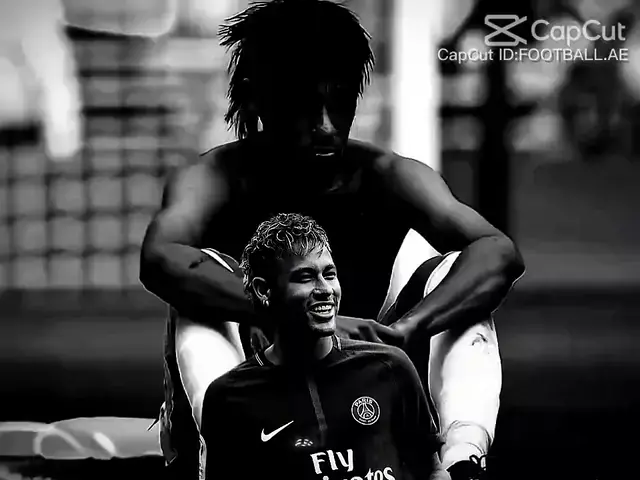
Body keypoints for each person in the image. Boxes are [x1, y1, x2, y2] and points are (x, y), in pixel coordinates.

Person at [139, 1, 525, 479]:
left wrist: (408, 329)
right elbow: (160, 259)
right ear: (257, 99)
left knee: (458, 277)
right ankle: (226, 459)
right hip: (252, 395)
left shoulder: (387, 175)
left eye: (340, 103)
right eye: (304, 107)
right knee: (198, 287)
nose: (325, 126)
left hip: (363, 402)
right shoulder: (214, 178)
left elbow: (498, 251)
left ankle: (462, 459)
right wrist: (278, 313)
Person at [197, 212, 448, 480]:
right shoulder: (228, 398)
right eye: (305, 277)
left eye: (329, 274)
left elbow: (432, 470)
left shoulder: (390, 367)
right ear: (263, 290)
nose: (325, 289)